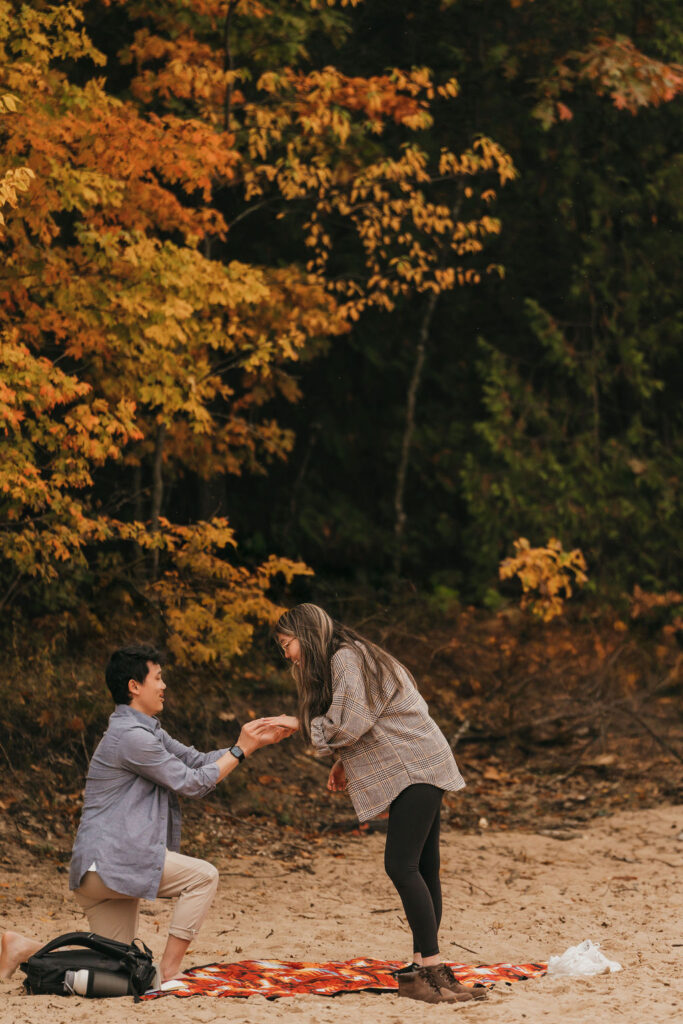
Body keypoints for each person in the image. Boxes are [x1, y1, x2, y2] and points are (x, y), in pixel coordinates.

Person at [0, 642, 293, 985]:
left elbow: (197, 761)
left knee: (118, 970)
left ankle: (23, 949)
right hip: (110, 863)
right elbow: (194, 783)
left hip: (98, 870)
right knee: (203, 876)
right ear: (134, 686)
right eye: (158, 677)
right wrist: (243, 749)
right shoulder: (131, 738)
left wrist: (249, 743)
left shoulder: (144, 731)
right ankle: (171, 971)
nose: (164, 685)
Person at [266, 603, 487, 1005]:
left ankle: (431, 969)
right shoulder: (356, 652)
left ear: (306, 634)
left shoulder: (346, 659)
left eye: (287, 644)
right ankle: (426, 970)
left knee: (401, 865)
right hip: (423, 759)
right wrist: (342, 761)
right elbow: (375, 715)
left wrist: (301, 725)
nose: (287, 656)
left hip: (413, 766)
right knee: (423, 866)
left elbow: (350, 721)